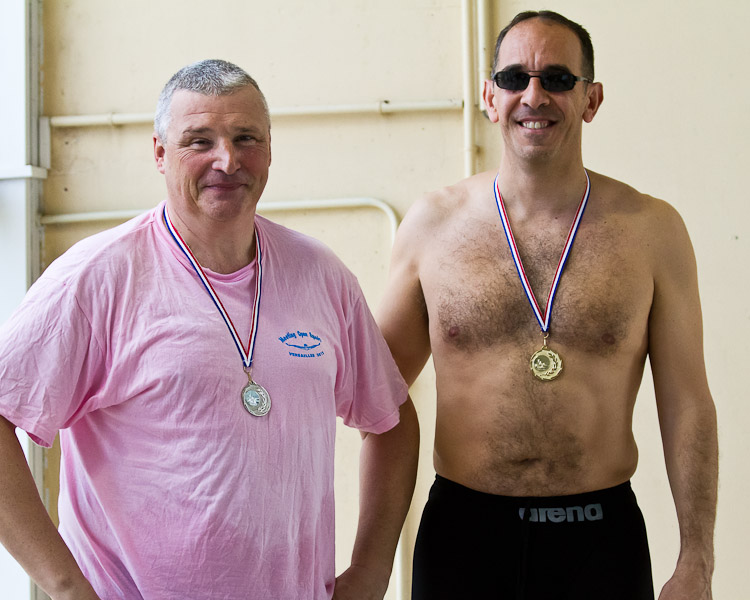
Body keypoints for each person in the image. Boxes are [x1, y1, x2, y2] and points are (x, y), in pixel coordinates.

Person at [0, 59, 418, 600]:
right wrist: (66, 587)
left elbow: (390, 419)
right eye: (199, 141)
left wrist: (370, 572)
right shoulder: (96, 278)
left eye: (246, 138)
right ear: (159, 153)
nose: (227, 160)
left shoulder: (319, 274)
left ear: (269, 149)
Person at [377, 11, 717, 600]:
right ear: (490, 97)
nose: (534, 96)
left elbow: (687, 402)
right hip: (463, 536)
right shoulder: (433, 226)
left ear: (591, 99)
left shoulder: (651, 230)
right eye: (515, 78)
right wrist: (369, 560)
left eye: (557, 79)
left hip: (599, 540)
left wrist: (698, 561)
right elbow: (373, 398)